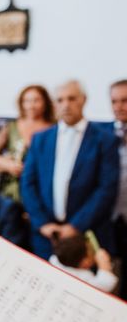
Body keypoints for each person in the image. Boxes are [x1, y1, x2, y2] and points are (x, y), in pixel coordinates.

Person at [21, 80, 120, 260]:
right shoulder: (41, 139)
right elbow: (28, 183)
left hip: (87, 234)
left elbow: (107, 188)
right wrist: (43, 224)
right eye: (60, 100)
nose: (66, 105)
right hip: (47, 236)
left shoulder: (105, 139)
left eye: (71, 99)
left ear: (83, 100)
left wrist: (75, 226)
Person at [0, 85, 55, 202]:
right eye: (27, 101)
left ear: (45, 103)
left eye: (36, 100)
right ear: (21, 103)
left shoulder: (55, 129)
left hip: (43, 188)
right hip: (12, 190)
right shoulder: (11, 127)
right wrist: (7, 165)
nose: (31, 105)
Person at [97, 79, 127, 298]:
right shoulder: (100, 134)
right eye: (114, 101)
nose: (119, 106)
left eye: (125, 101)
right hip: (106, 218)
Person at [49, 233, 118, 293]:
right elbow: (106, 283)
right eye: (92, 252)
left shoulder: (56, 259)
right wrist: (104, 263)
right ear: (85, 262)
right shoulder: (84, 280)